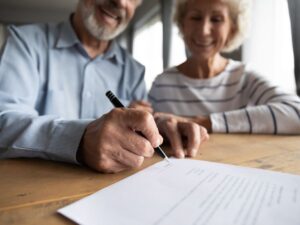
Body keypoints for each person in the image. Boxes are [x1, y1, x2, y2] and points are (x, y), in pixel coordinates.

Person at [0, 0, 209, 173]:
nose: (119, 1)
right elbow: (5, 122)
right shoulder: (25, 43)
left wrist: (159, 125)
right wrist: (79, 139)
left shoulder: (134, 71)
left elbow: (139, 125)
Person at [149, 0, 300, 134]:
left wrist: (203, 122)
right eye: (195, 17)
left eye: (216, 19)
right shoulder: (161, 83)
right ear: (183, 24)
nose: (204, 30)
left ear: (232, 30)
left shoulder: (244, 77)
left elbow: (296, 112)